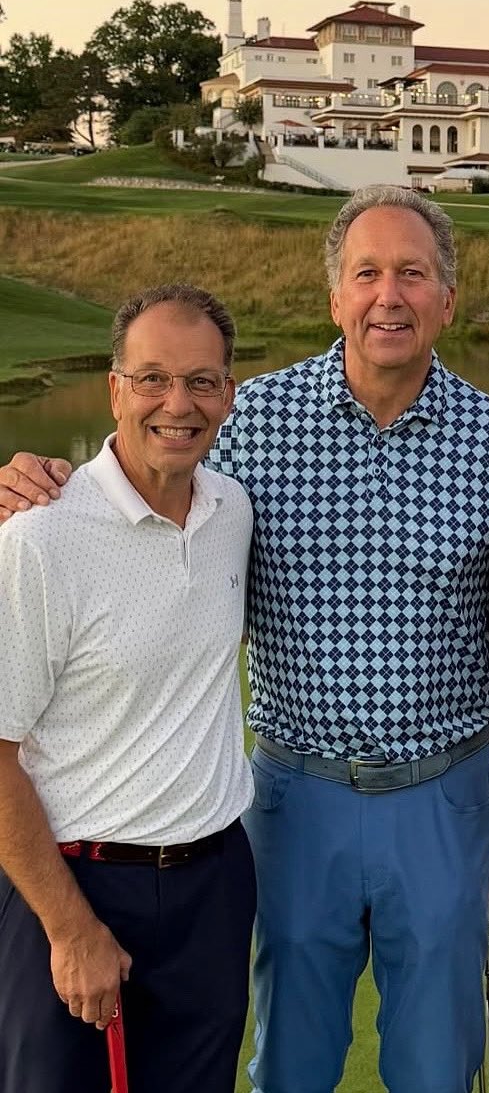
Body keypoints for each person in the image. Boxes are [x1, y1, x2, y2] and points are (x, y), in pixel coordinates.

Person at [0, 186, 489, 1093]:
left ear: (448, 299)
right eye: (366, 273)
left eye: (413, 274)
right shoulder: (247, 419)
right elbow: (139, 469)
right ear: (334, 297)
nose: (388, 296)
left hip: (443, 793)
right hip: (294, 795)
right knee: (291, 1063)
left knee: (435, 1067)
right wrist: (31, 482)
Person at [0, 284, 256, 1093]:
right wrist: (70, 929)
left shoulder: (232, 510)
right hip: (74, 886)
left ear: (228, 395)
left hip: (214, 887)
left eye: (202, 381)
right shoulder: (40, 536)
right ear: (115, 389)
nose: (177, 404)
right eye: (152, 379)